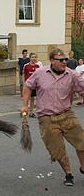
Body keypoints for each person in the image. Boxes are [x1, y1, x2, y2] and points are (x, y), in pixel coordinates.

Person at [21, 48, 84, 186]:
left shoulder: (72, 75)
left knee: (82, 142)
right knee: (57, 150)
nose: (64, 62)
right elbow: (27, 86)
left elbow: (82, 89)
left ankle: (83, 167)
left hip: (67, 115)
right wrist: (25, 105)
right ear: (52, 61)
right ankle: (68, 174)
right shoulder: (40, 73)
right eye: (61, 60)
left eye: (66, 60)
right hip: (46, 118)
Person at [22, 53, 40, 117]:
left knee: (32, 99)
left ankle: (31, 112)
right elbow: (23, 74)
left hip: (34, 85)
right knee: (26, 99)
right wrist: (24, 83)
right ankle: (24, 112)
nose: (34, 58)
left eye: (35, 57)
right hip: (27, 85)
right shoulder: (26, 66)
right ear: (30, 58)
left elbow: (38, 76)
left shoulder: (37, 66)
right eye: (32, 57)